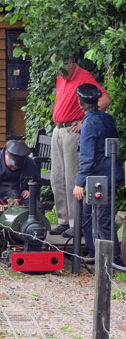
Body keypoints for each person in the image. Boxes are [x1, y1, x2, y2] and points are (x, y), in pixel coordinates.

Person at [50, 55, 112, 238]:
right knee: (57, 177)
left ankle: (75, 223)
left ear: (70, 62)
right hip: (58, 129)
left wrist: (86, 121)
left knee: (72, 177)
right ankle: (63, 219)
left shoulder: (84, 76)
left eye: (60, 67)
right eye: (55, 67)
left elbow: (105, 100)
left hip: (72, 130)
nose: (58, 71)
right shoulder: (61, 76)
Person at [73, 83, 123, 264]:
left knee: (103, 219)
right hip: (104, 175)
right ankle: (95, 253)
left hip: (103, 177)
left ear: (80, 103)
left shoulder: (89, 124)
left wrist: (79, 183)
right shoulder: (106, 118)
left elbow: (87, 157)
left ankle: (114, 261)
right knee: (87, 214)